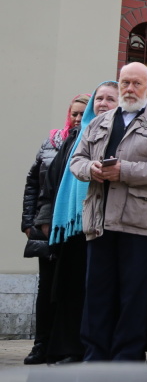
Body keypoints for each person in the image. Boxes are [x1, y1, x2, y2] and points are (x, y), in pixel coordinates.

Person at [70, 62, 147, 361]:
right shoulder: (99, 121)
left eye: (136, 83)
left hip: (138, 221)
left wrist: (125, 171)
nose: (129, 89)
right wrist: (91, 169)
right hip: (99, 218)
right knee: (97, 292)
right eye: (124, 83)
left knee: (133, 294)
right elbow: (76, 160)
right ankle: (95, 355)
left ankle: (127, 357)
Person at [45, 82, 118, 364]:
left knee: (98, 293)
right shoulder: (76, 135)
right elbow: (51, 180)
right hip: (73, 227)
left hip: (103, 223)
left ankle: (94, 349)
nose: (103, 103)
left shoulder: (118, 135)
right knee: (71, 289)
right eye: (99, 98)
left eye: (110, 99)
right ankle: (67, 348)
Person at [21, 93, 89, 365]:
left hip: (72, 230)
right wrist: (29, 222)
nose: (77, 118)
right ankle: (40, 345)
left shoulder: (88, 144)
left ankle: (62, 346)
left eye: (83, 114)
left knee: (68, 289)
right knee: (46, 289)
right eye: (74, 113)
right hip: (45, 226)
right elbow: (32, 183)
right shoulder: (51, 143)